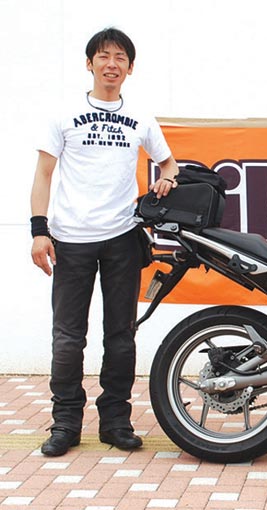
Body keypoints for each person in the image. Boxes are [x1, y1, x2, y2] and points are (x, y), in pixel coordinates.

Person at [29, 27, 180, 457]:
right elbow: (43, 174)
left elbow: (169, 164)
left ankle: (116, 422)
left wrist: (167, 180)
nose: (111, 64)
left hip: (122, 238)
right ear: (89, 63)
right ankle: (65, 423)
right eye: (103, 56)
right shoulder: (64, 114)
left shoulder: (141, 118)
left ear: (130, 68)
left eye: (120, 58)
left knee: (120, 335)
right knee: (68, 337)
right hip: (70, 239)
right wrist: (39, 230)